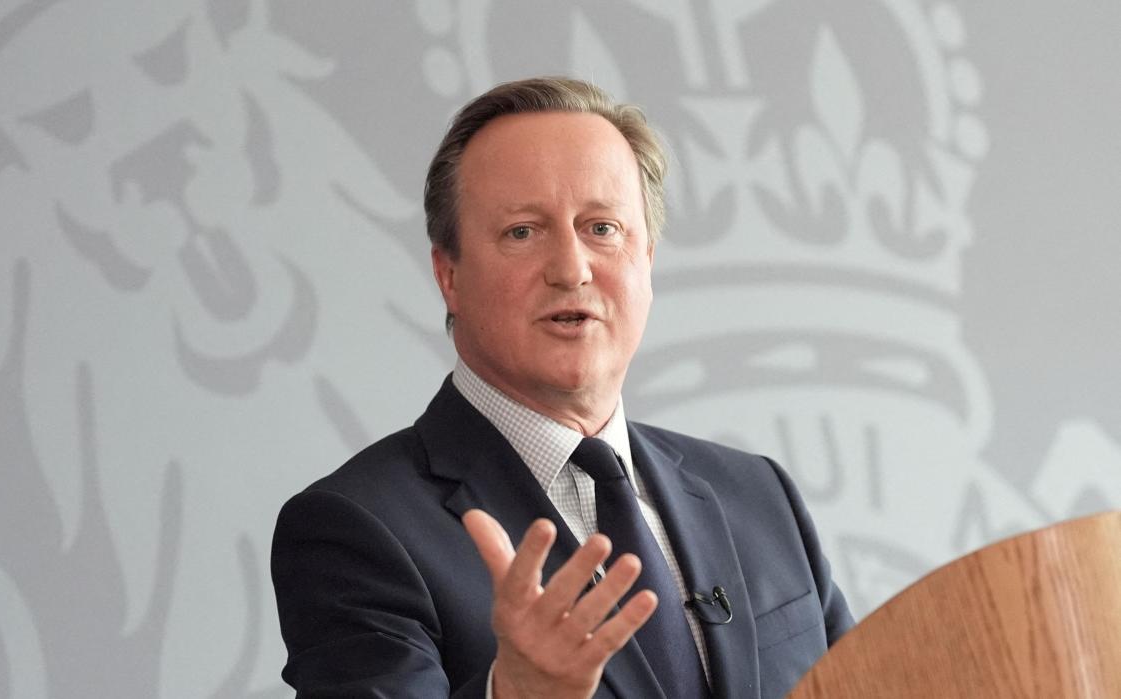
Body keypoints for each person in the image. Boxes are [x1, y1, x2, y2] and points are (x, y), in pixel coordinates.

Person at [271, 77, 853, 699]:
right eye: (523, 231)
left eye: (602, 228)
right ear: (449, 274)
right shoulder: (355, 528)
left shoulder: (760, 497)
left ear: (647, 261)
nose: (571, 269)